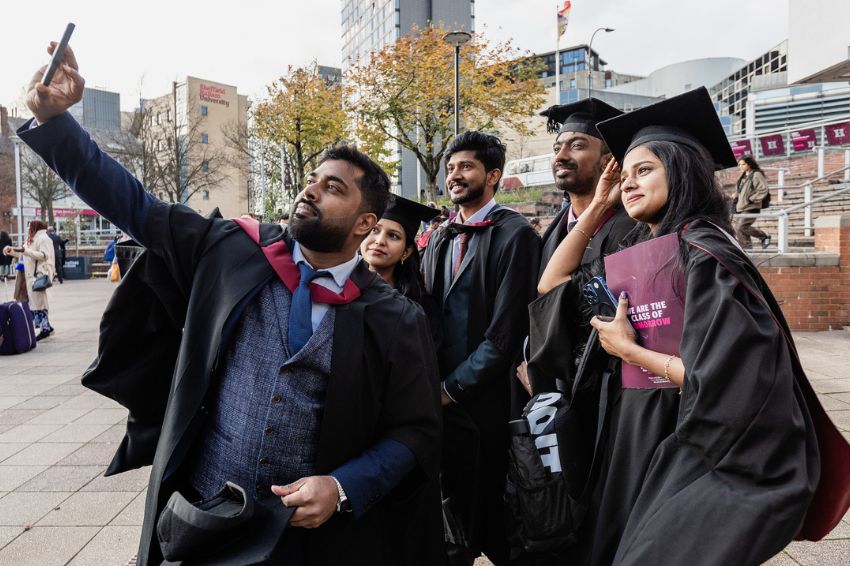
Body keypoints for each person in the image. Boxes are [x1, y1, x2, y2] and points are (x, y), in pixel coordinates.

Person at [19, 42, 442, 565]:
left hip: (311, 539)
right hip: (205, 512)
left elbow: (416, 430)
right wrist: (58, 123)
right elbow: (133, 205)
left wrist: (342, 485)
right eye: (311, 180)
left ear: (364, 224)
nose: (310, 192)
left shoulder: (394, 318)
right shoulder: (234, 249)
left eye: (332, 188)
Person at [575, 86, 845, 565]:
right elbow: (549, 286)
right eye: (628, 173)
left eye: (645, 170)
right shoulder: (648, 253)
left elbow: (723, 382)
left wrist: (630, 350)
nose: (630, 184)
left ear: (680, 172)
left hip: (705, 446)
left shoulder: (705, 255)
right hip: (648, 430)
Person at [422, 131, 541, 565]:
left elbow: (505, 333)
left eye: (466, 167)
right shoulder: (439, 237)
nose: (455, 175)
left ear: (492, 175)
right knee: (448, 521)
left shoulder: (516, 235)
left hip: (486, 405)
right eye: (451, 168)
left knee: (492, 515)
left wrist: (451, 389)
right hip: (440, 406)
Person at [361, 196, 441, 342]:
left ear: (407, 251)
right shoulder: (340, 289)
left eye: (393, 236)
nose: (380, 241)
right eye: (374, 230)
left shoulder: (423, 307)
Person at [3, 220, 56, 339]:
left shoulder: (43, 238)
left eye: (29, 227)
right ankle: (42, 328)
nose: (28, 229)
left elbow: (44, 255)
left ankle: (45, 329)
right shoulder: (31, 239)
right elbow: (23, 254)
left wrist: (26, 251)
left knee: (39, 303)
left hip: (37, 275)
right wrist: (10, 250)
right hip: (27, 275)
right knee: (29, 303)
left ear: (35, 227)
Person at [734, 155, 771, 249]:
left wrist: (751, 199)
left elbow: (763, 189)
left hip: (751, 206)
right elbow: (743, 191)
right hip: (741, 207)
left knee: (741, 227)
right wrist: (736, 195)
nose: (741, 166)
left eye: (743, 164)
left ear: (749, 164)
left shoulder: (756, 174)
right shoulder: (743, 176)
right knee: (739, 229)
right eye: (739, 165)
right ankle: (747, 249)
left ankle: (764, 235)